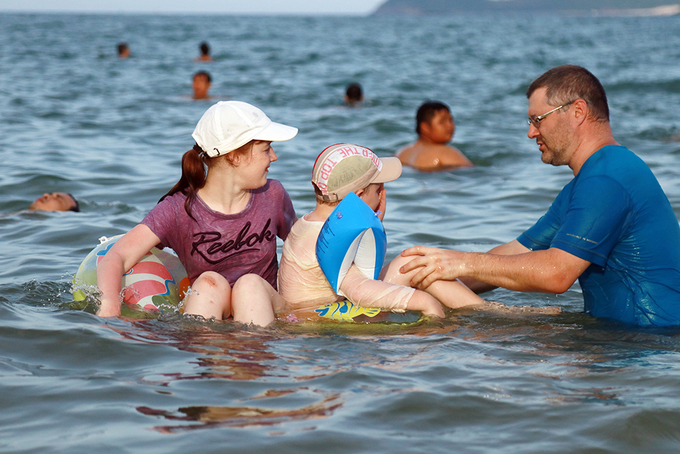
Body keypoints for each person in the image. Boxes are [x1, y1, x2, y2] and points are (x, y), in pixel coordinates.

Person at [401, 65, 680, 327]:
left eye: (538, 119)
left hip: (650, 342)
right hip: (620, 338)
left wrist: (461, 261)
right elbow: (517, 253)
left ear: (578, 111)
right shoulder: (589, 181)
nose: (531, 132)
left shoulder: (606, 179)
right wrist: (423, 272)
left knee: (478, 338)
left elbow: (556, 273)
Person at [95, 101, 298, 326]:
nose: (274, 156)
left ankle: (255, 355)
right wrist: (110, 304)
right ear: (235, 156)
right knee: (208, 283)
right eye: (266, 148)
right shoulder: (179, 210)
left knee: (249, 285)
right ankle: (210, 356)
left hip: (265, 306)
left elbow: (302, 252)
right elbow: (116, 256)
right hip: (209, 306)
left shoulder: (273, 195)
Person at [276, 143, 490, 320]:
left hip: (320, 313)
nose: (382, 195)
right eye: (378, 190)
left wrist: (372, 225)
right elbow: (357, 289)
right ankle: (485, 315)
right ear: (359, 196)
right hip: (320, 323)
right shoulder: (326, 238)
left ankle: (484, 311)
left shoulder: (309, 224)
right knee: (417, 268)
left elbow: (356, 273)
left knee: (416, 262)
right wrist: (424, 302)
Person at [396, 101, 473, 171]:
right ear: (425, 127)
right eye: (442, 122)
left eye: (450, 120)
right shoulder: (445, 152)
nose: (450, 125)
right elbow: (471, 173)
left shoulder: (402, 152)